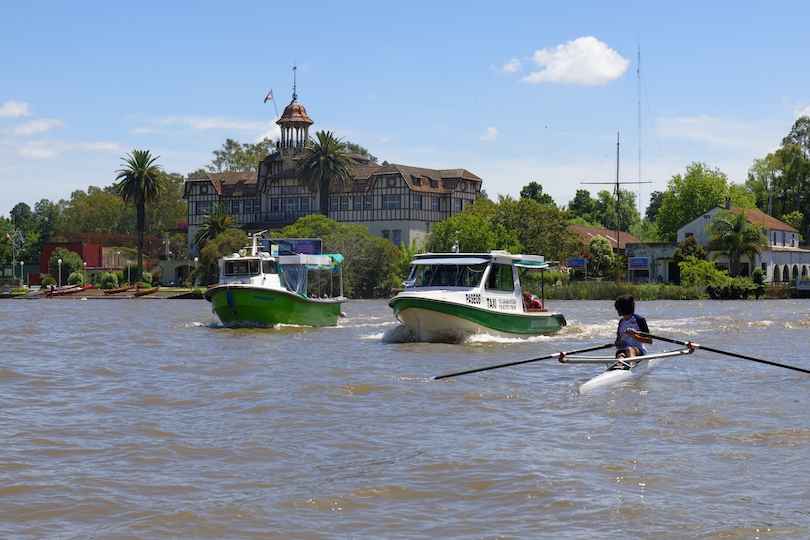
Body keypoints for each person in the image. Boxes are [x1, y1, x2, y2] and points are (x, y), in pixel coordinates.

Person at [613, 295, 652, 365]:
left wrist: (634, 336)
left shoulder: (640, 320)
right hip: (623, 350)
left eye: (617, 308)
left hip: (639, 351)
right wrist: (617, 343)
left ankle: (631, 366)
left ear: (621, 308)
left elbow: (649, 340)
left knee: (629, 350)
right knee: (620, 354)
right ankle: (619, 366)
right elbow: (617, 341)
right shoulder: (621, 322)